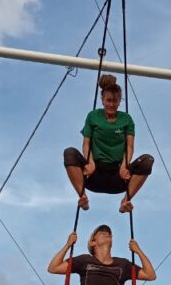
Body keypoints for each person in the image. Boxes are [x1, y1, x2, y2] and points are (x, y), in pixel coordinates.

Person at [63, 73, 154, 214]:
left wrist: (124, 166)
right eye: (108, 100)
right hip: (94, 175)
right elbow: (86, 143)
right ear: (102, 100)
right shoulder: (93, 116)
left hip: (117, 177)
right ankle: (82, 197)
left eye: (115, 101)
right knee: (69, 153)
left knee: (147, 160)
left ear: (119, 101)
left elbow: (129, 146)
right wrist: (90, 163)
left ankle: (126, 201)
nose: (111, 104)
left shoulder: (126, 119)